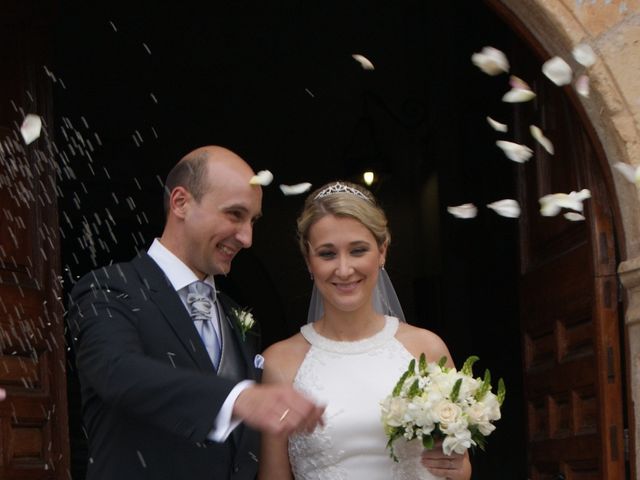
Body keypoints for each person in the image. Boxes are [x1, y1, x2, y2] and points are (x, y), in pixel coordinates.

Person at [67, 146, 325, 480]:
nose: (247, 238)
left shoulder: (238, 317)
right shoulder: (108, 289)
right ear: (180, 203)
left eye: (252, 221)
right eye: (234, 215)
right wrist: (238, 400)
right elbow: (117, 372)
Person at [258, 181, 472, 480]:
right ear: (308, 260)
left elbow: (461, 471)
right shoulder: (280, 363)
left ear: (382, 251)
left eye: (358, 250)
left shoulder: (427, 349)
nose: (344, 270)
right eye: (327, 254)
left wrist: (456, 465)